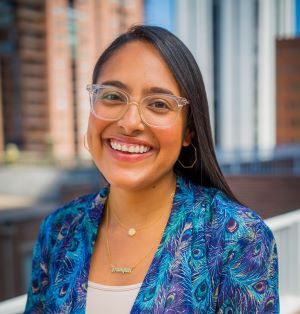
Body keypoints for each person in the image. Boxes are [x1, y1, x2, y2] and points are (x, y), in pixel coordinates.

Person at [24, 25, 279, 313]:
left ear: (188, 131)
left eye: (158, 103)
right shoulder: (58, 229)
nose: (130, 122)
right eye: (113, 96)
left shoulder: (236, 237)